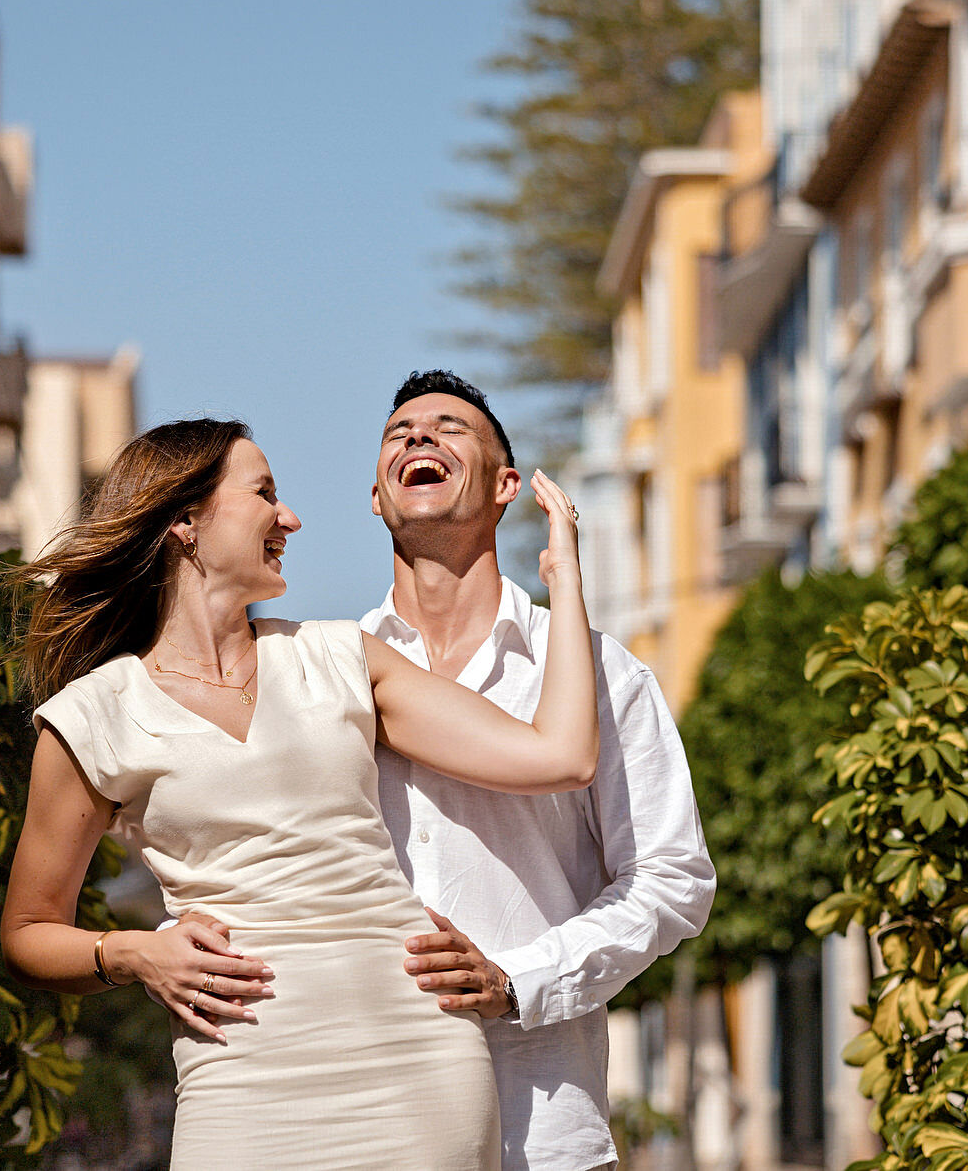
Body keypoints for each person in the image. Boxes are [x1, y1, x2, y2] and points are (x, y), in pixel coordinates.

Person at [0, 417, 597, 1171]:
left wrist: (565, 580)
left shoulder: (340, 657)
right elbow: (28, 932)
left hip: (417, 1062)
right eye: (264, 494)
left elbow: (561, 755)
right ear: (184, 521)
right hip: (239, 1075)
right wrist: (132, 953)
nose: (291, 518)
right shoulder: (92, 716)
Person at [191, 371, 715, 1170]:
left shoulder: (599, 674)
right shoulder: (319, 677)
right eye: (398, 432)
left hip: (541, 1132)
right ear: (377, 496)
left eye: (449, 427)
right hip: (361, 1129)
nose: (418, 436)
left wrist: (520, 981)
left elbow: (671, 879)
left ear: (507, 485)